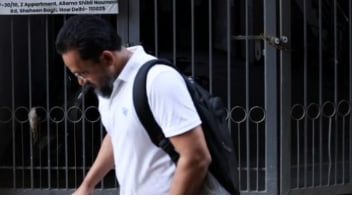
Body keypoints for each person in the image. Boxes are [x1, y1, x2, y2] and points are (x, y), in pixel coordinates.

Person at [55, 15, 226, 195]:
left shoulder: (158, 81)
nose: (81, 82)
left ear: (107, 58)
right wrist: (87, 185)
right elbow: (117, 133)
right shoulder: (108, 84)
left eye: (83, 73)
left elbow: (196, 158)